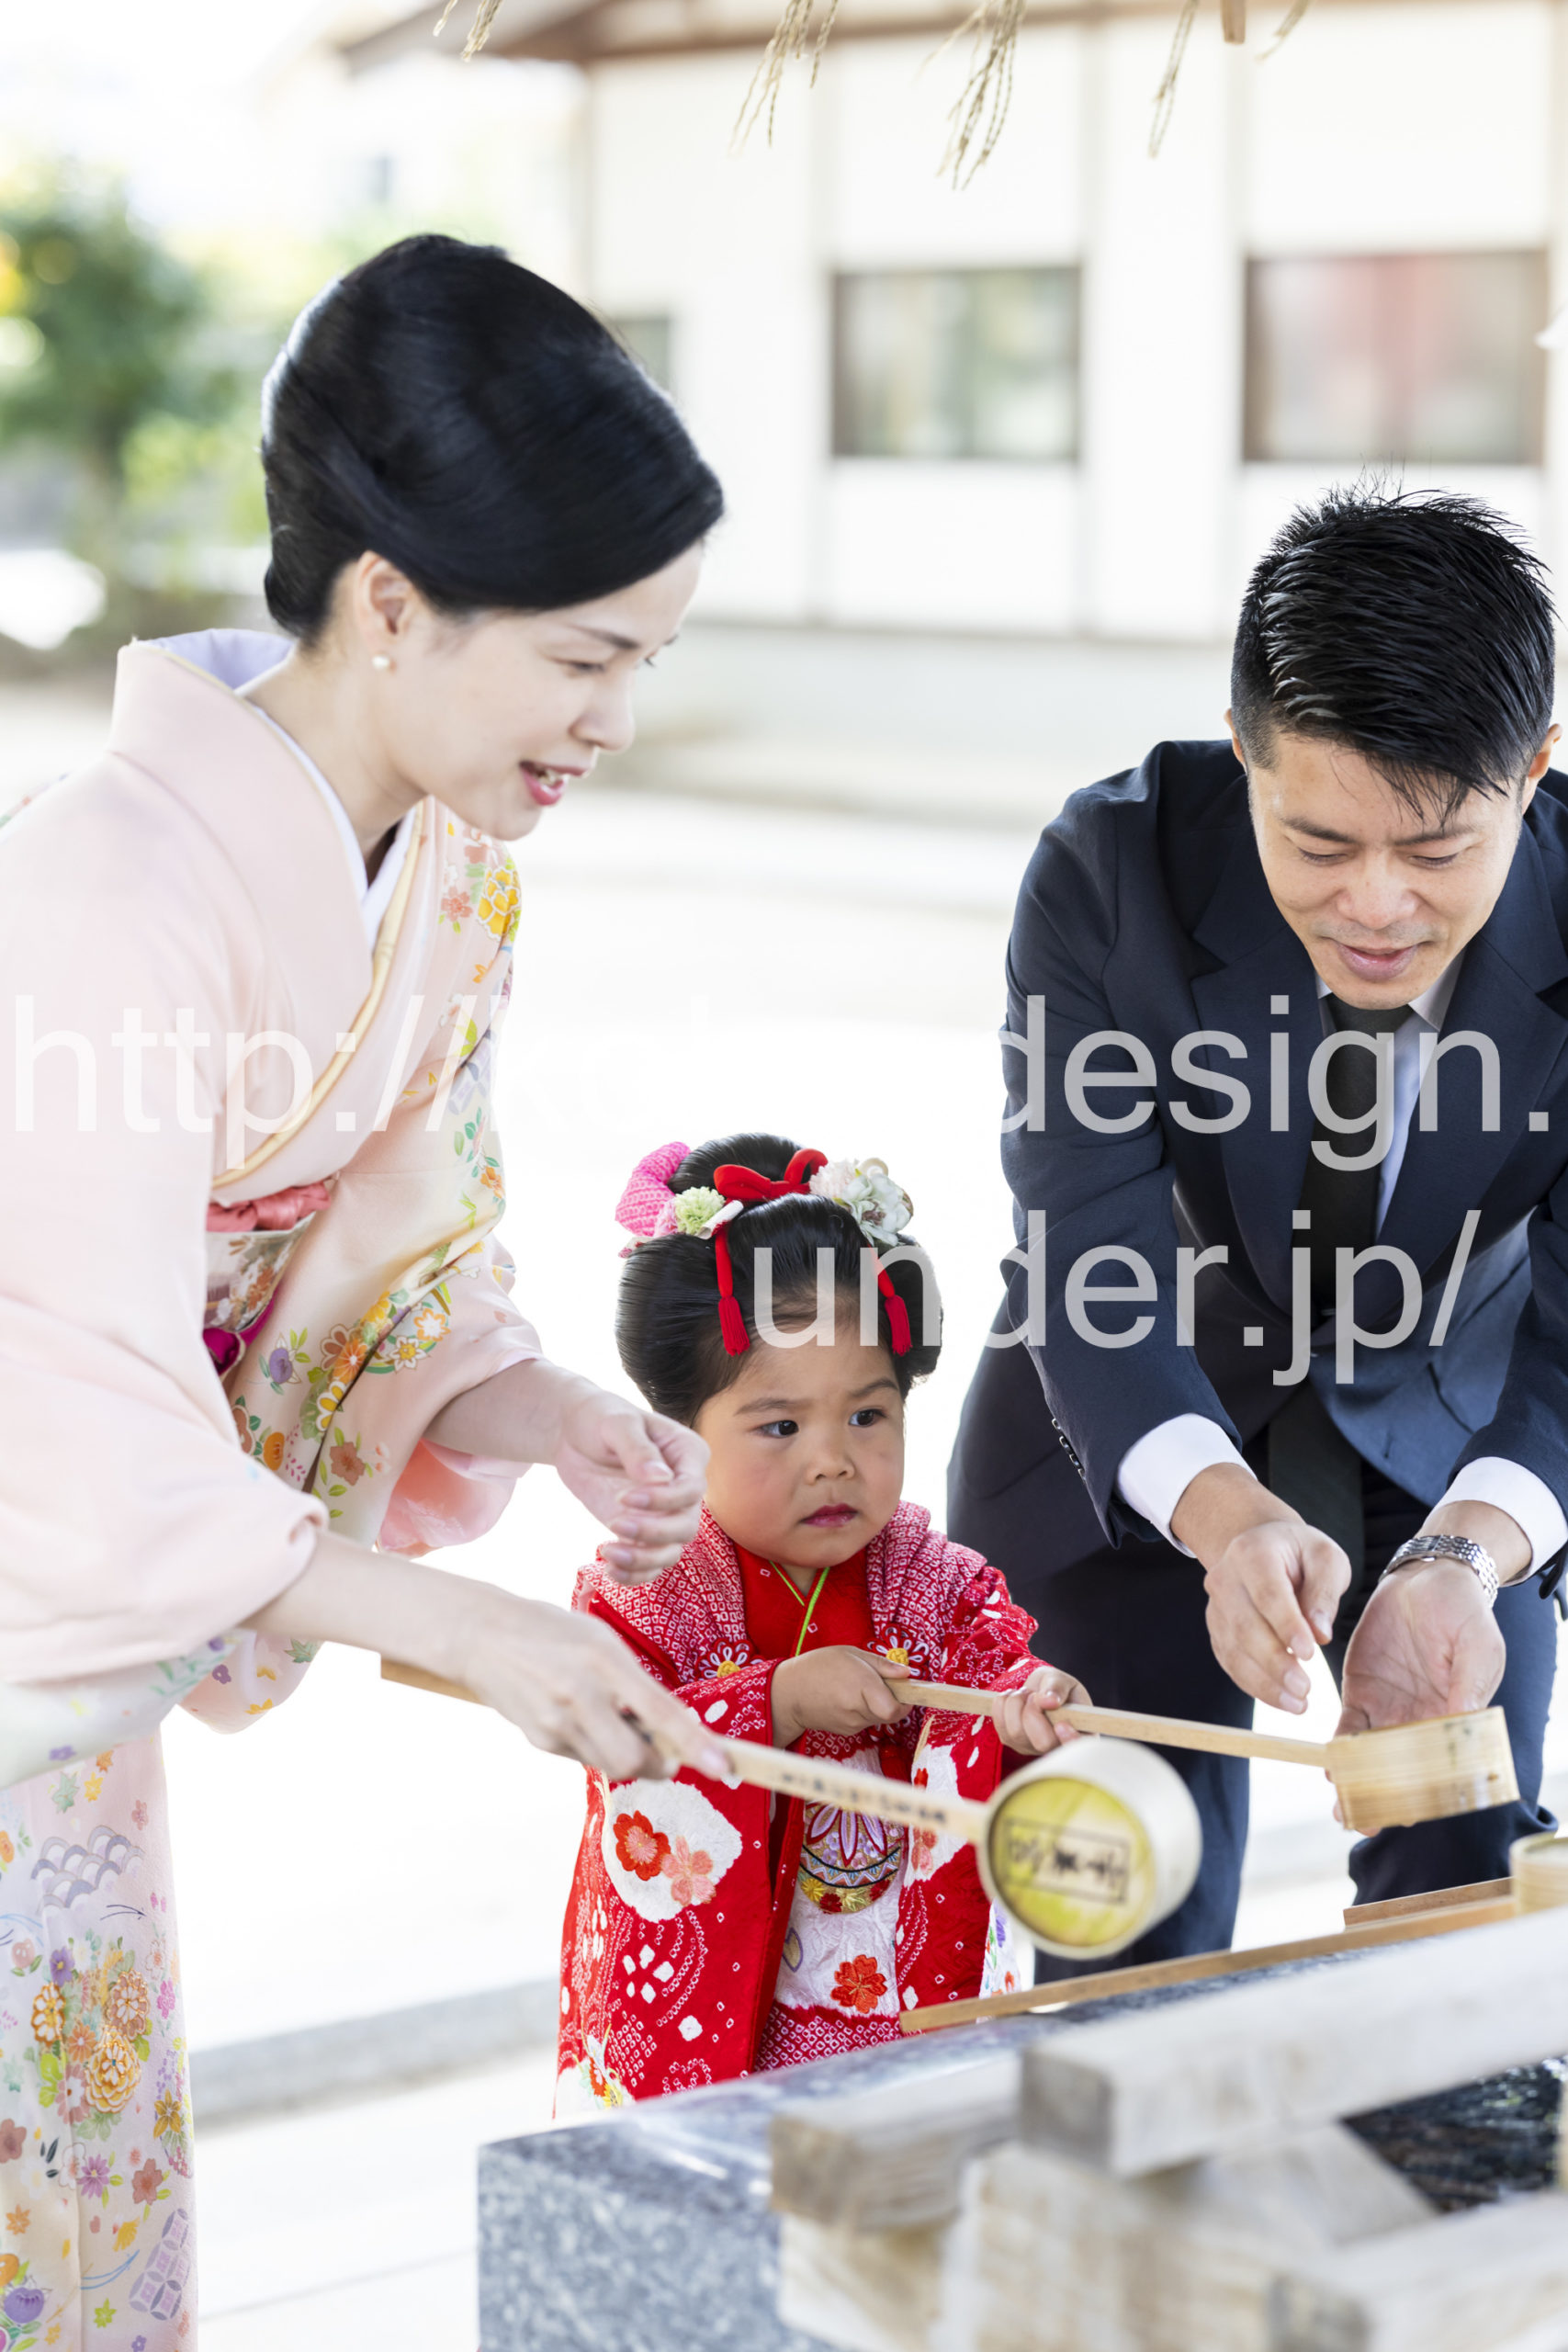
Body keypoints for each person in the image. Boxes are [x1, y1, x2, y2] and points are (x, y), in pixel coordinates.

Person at [0, 235, 734, 2346]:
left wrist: (540, 1410)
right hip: (42, 1549)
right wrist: (466, 1624)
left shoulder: (456, 872)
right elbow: (68, 1403)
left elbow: (396, 1259)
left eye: (646, 660)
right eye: (585, 655)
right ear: (391, 601)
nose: (613, 720)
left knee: (78, 2156)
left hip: (71, 1641)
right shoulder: (101, 883)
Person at [949, 484, 1565, 1972]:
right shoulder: (1109, 873)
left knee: (1459, 1924)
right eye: (1317, 841)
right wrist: (1225, 1521)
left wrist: (1463, 1558)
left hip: (1456, 1441)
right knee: (1122, 1934)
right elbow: (1085, 1249)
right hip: (1133, 1435)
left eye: (1435, 852)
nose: (1374, 906)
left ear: (1532, 771)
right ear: (1242, 750)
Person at [556, 1134, 1090, 2109]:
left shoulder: (937, 1582)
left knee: (908, 2167)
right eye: (780, 1425)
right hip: (727, 2018)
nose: (832, 1459)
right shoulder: (646, 1592)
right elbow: (622, 1741)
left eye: (867, 1416)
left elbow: (992, 1679)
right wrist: (777, 1700)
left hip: (889, 1991)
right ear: (677, 1431)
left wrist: (1024, 1708)